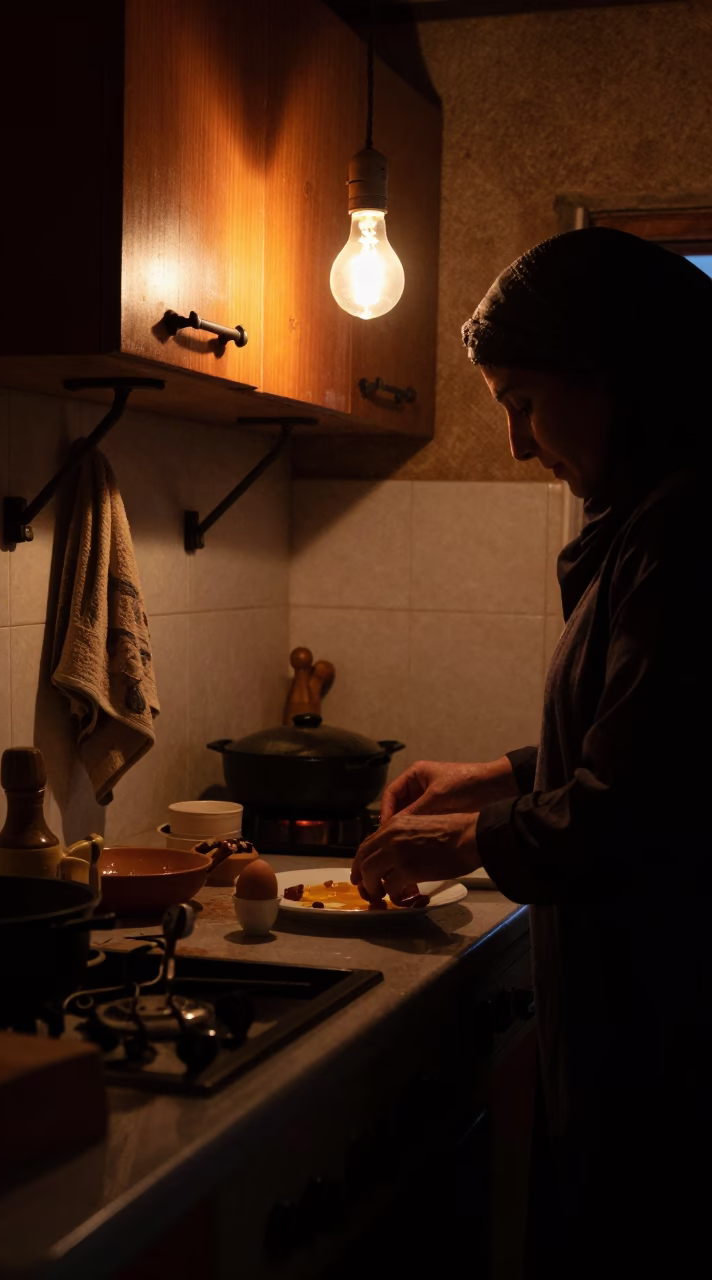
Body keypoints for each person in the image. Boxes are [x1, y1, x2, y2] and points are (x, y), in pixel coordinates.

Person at [351, 227, 712, 1276]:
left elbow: (636, 808)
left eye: (522, 400)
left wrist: (458, 841)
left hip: (669, 1049)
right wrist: (494, 777)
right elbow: (647, 731)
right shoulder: (649, 516)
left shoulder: (688, 533)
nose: (515, 443)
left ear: (615, 377)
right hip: (635, 1031)